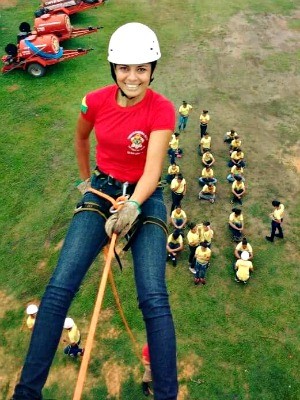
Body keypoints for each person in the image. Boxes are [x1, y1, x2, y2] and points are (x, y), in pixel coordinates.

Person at [12, 22, 178, 400]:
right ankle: (26, 393)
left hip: (144, 195)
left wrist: (135, 203)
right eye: (124, 68)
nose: (132, 77)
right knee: (58, 289)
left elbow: (153, 170)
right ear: (113, 69)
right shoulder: (94, 100)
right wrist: (86, 181)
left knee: (153, 297)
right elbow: (80, 136)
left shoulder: (163, 109)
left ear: (153, 69)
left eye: (141, 68)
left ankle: (167, 394)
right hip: (102, 190)